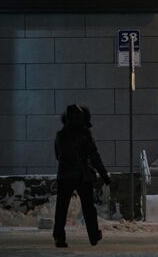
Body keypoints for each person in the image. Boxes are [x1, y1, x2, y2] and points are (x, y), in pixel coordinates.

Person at [53, 104, 111, 248]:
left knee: (61, 208)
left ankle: (59, 237)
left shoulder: (60, 135)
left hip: (65, 175)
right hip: (82, 175)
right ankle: (93, 235)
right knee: (88, 207)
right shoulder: (85, 134)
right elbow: (94, 156)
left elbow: (57, 155)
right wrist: (104, 176)